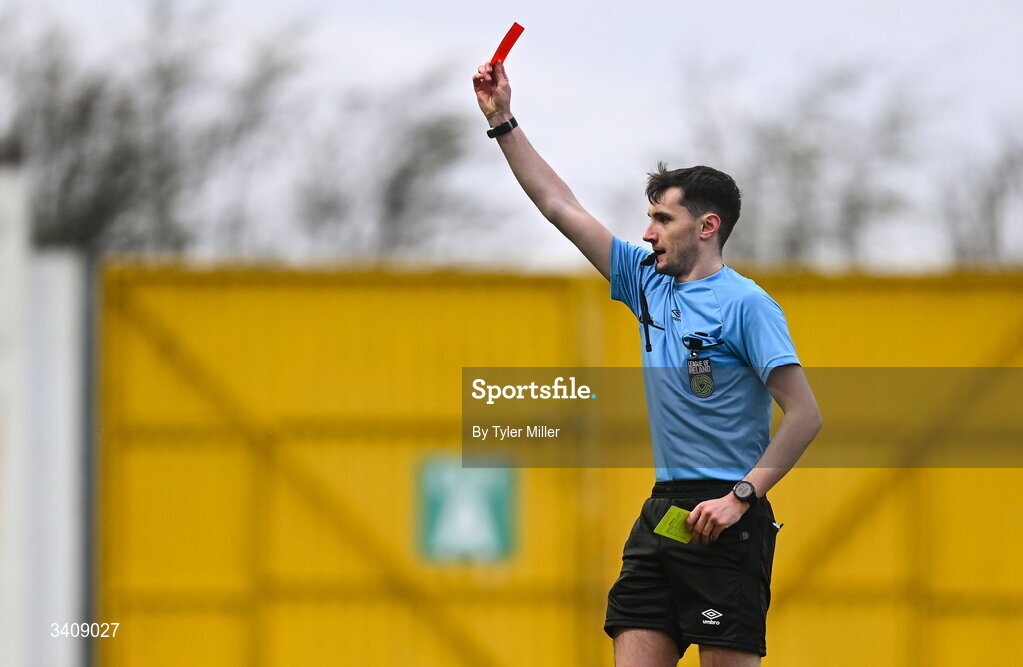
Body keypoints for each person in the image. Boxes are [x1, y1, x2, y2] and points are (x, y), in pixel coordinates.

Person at [472, 59, 822, 667]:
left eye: (664, 218)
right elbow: (560, 205)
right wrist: (503, 120)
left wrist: (742, 495)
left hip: (726, 520)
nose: (649, 231)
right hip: (664, 513)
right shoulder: (648, 285)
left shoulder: (747, 304)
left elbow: (805, 415)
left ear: (707, 227)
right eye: (650, 217)